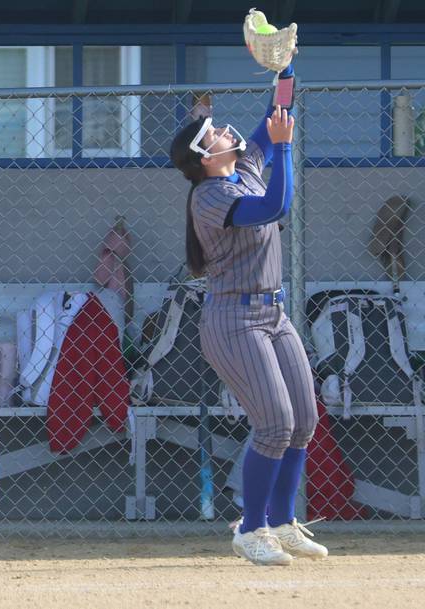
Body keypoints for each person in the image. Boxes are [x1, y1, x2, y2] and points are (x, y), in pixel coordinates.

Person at [169, 64, 327, 566]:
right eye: (212, 134)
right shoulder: (210, 194)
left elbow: (279, 108)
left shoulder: (243, 167)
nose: (222, 132)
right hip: (233, 321)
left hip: (272, 314)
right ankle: (251, 528)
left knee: (303, 420)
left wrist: (285, 64)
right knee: (275, 423)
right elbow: (275, 208)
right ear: (204, 157)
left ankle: (281, 521)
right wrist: (283, 148)